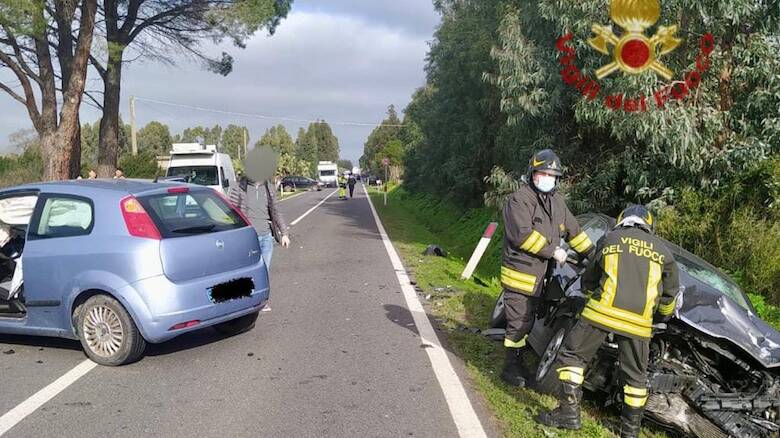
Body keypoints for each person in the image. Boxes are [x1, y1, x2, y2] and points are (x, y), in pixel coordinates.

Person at [536, 205, 680, 438]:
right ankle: (629, 432)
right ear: (650, 226)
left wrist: (590, 290)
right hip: (638, 326)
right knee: (635, 379)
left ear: (622, 221)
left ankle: (569, 413)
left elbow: (588, 280)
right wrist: (659, 317)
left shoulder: (610, 239)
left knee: (573, 357)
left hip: (600, 315)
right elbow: (669, 299)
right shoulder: (664, 253)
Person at [500, 149, 595, 387]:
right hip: (519, 275)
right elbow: (521, 235)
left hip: (539, 279)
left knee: (527, 322)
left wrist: (594, 256)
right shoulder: (520, 199)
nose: (547, 178)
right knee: (519, 324)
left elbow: (575, 232)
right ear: (532, 174)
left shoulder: (557, 202)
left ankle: (518, 362)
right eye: (542, 173)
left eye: (551, 175)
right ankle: (510, 367)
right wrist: (552, 250)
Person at [228, 175, 290, 269]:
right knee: (249, 273)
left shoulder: (269, 188)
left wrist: (284, 234)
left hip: (266, 238)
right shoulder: (239, 187)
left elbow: (276, 212)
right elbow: (231, 213)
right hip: (248, 239)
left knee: (264, 273)